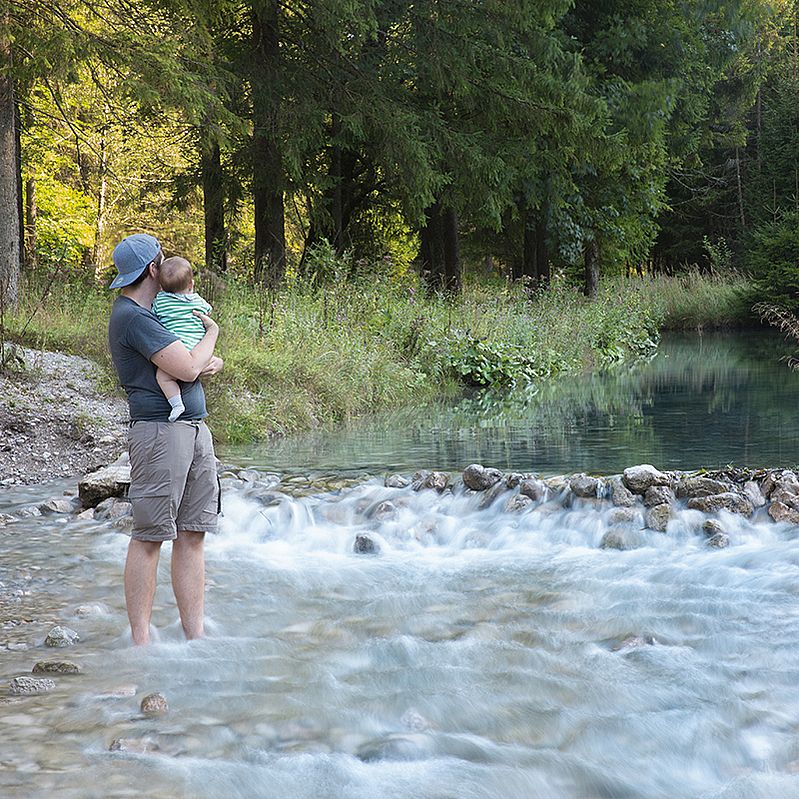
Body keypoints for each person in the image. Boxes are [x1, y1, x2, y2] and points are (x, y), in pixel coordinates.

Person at [107, 233, 223, 645]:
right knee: (150, 534)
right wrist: (207, 344)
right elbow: (190, 368)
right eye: (160, 259)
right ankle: (141, 643)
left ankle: (195, 636)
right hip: (160, 432)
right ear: (152, 270)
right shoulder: (133, 317)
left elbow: (194, 361)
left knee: (192, 532)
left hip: (193, 428)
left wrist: (199, 360)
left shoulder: (157, 311)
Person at [151, 256, 213, 422]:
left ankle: (177, 403)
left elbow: (154, 314)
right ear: (191, 284)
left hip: (176, 349)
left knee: (163, 377)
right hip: (197, 346)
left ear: (161, 286)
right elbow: (208, 312)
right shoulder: (199, 302)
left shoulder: (160, 301)